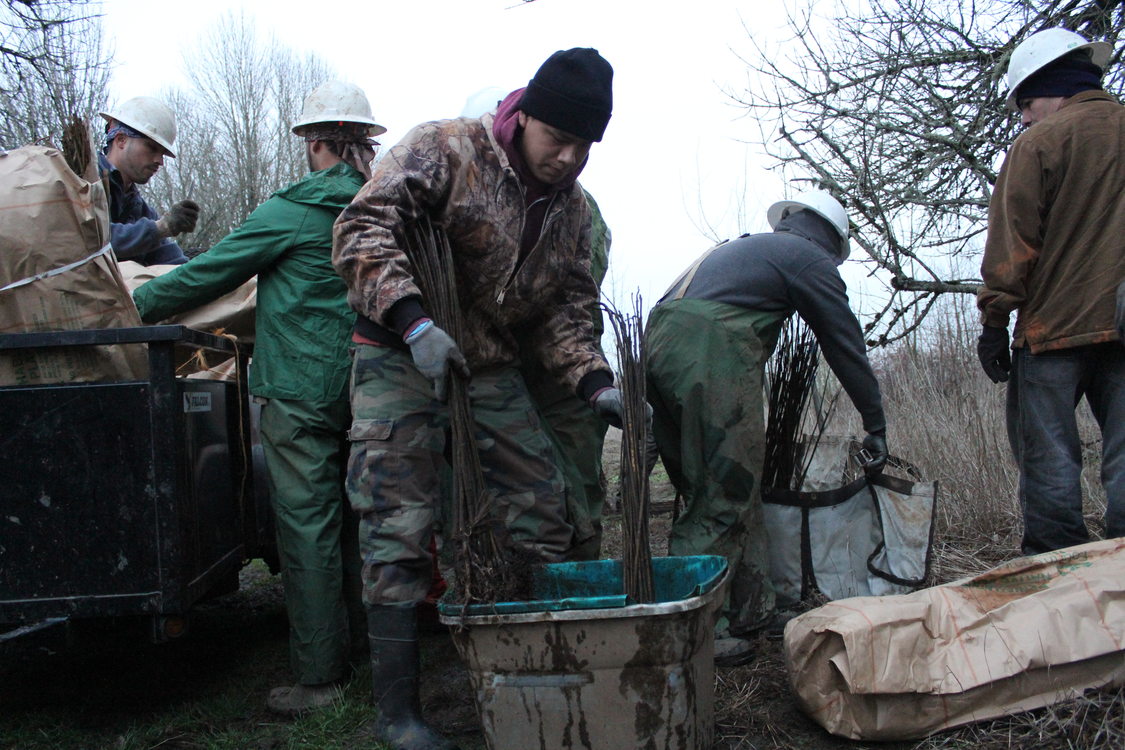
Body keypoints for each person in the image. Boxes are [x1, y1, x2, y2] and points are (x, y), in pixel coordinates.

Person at [333, 48, 622, 750]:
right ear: (522, 118)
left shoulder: (569, 211)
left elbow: (566, 311)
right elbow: (361, 228)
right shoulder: (447, 149)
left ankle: (525, 673)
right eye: (558, 139)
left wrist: (596, 382)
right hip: (398, 352)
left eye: (585, 146)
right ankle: (399, 716)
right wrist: (413, 320)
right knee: (396, 525)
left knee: (539, 509)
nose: (568, 157)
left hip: (486, 365)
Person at [132, 81, 385, 715]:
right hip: (367, 386)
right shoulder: (381, 208)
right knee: (354, 520)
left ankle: (321, 675)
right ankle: (361, 647)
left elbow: (208, 273)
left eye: (307, 141)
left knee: (307, 526)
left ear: (317, 141)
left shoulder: (293, 211)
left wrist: (131, 304)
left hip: (300, 391)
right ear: (365, 144)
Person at [645, 189, 887, 665]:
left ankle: (751, 608)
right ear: (831, 240)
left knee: (723, 487)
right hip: (709, 348)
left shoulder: (745, 249)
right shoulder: (806, 257)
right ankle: (695, 629)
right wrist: (875, 421)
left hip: (660, 339)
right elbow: (844, 343)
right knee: (722, 491)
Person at [976, 27, 1125, 555]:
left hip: (1053, 330)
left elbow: (1013, 244)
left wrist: (994, 322)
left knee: (1049, 457)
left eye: (1027, 103)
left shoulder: (1040, 143)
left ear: (1054, 87)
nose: (1023, 117)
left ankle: (1060, 571)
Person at [458, 86, 614, 560]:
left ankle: (576, 589)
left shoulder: (575, 208)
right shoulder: (458, 181)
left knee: (565, 488)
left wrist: (594, 382)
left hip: (558, 377)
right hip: (492, 370)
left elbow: (572, 303)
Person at [99, 97, 198, 265]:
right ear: (121, 140)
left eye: (163, 153)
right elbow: (90, 241)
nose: (160, 161)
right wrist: (161, 228)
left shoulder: (138, 207)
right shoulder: (84, 182)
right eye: (151, 148)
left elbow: (170, 260)